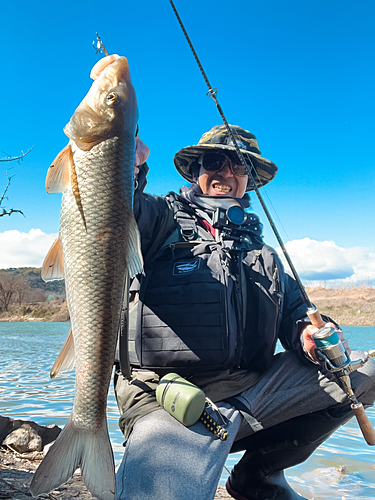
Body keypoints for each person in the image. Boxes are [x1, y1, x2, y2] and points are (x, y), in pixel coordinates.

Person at [114, 125, 375, 500]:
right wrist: (127, 165)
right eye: (214, 161)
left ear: (249, 180)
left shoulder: (265, 256)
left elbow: (296, 314)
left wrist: (309, 337)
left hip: (253, 392)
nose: (226, 172)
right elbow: (119, 210)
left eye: (239, 166)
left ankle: (258, 476)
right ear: (196, 171)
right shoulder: (159, 219)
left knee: (363, 372)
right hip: (168, 399)